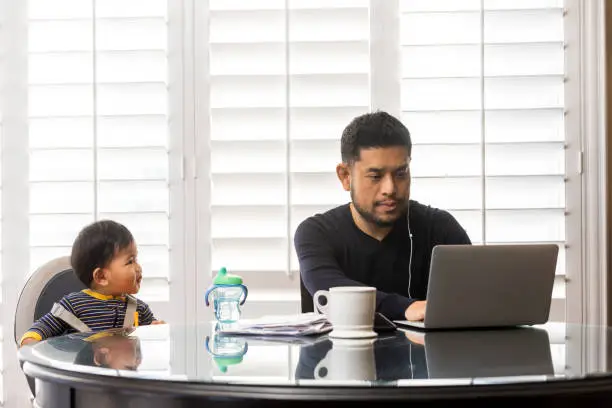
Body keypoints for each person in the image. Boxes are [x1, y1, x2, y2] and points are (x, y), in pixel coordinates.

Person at [294, 111, 471, 322]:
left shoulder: (441, 228)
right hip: (337, 354)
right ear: (345, 176)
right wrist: (407, 308)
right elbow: (329, 288)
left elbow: (475, 297)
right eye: (376, 176)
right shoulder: (316, 233)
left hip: (426, 354)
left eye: (401, 173)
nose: (390, 188)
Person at [19, 220, 164, 347]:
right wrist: (30, 342)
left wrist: (157, 330)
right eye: (130, 261)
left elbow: (152, 341)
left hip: (127, 377)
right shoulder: (73, 306)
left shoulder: (140, 309)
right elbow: (42, 328)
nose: (138, 267)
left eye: (136, 259)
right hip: (83, 378)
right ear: (101, 276)